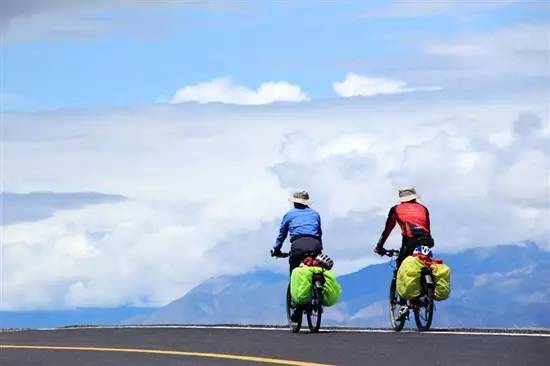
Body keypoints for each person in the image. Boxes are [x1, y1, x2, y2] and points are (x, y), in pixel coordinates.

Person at [373, 187, 434, 268]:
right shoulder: (423, 208)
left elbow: (387, 230)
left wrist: (379, 247)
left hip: (410, 242)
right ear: (415, 197)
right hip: (427, 240)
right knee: (428, 264)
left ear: (402, 199)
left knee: (401, 266)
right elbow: (427, 228)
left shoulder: (396, 209)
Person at [271, 189, 323, 274]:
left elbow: (282, 235)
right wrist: (320, 249)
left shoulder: (290, 214)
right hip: (315, 245)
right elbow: (319, 233)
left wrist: (276, 249)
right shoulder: (315, 214)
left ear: (294, 202)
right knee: (318, 271)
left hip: (298, 246)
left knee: (294, 274)